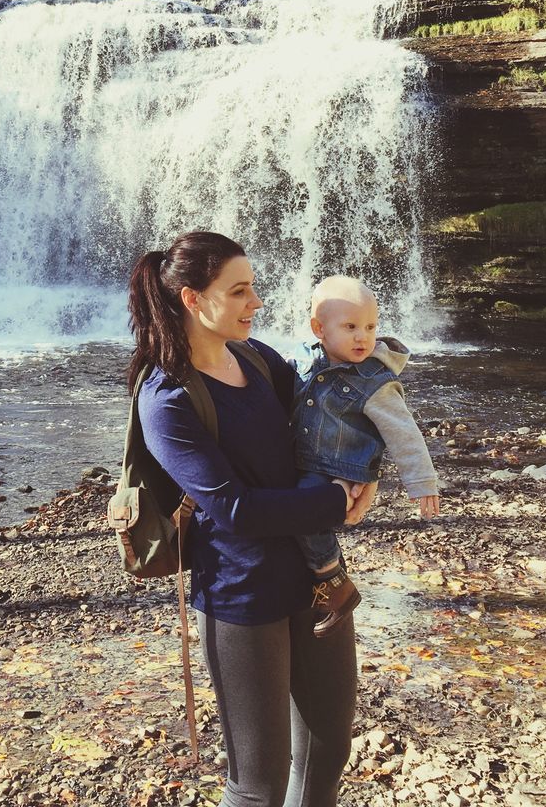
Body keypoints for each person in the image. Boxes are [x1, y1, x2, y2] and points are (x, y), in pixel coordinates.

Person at [129, 231, 376, 807]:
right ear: (193, 299)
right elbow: (234, 509)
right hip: (241, 594)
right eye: (239, 291)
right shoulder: (167, 398)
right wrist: (336, 503)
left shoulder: (257, 357)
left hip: (317, 576)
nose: (255, 303)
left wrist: (376, 465)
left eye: (254, 289)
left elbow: (332, 417)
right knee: (257, 782)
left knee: (327, 751)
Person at [289, 275, 440, 637]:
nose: (363, 336)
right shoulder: (304, 360)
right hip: (301, 458)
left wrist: (421, 482)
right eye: (351, 326)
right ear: (319, 329)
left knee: (302, 513)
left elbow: (403, 432)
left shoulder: (375, 381)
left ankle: (334, 583)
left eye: (371, 326)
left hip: (336, 468)